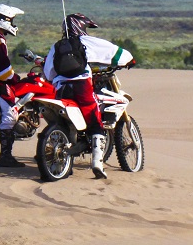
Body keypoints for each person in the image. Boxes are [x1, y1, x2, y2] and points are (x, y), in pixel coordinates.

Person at [43, 13, 135, 179]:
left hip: (61, 88)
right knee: (94, 118)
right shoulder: (86, 42)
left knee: (62, 120)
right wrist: (129, 60)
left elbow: (49, 73)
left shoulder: (56, 46)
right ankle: (97, 163)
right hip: (81, 85)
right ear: (80, 26)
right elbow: (116, 53)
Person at [0, 4, 26, 168]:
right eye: (11, 20)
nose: (13, 24)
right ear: (2, 21)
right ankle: (5, 156)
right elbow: (3, 69)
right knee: (10, 115)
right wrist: (15, 78)